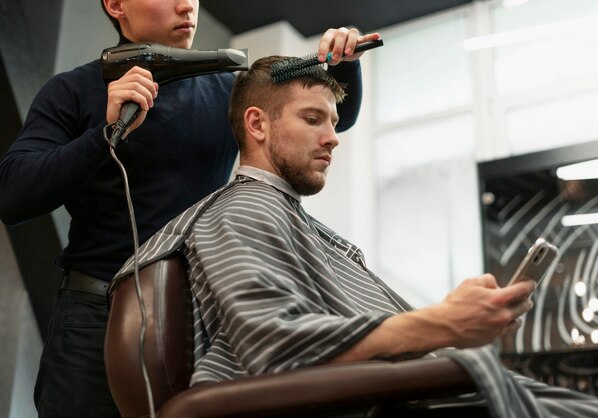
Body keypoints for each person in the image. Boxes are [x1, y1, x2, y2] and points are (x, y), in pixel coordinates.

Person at [114, 56, 598, 417]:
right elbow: (273, 344)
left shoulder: (290, 218)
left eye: (333, 121)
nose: (333, 137)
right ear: (258, 124)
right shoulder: (245, 209)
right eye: (312, 119)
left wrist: (448, 318)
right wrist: (440, 325)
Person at [0, 0, 378, 415]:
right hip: (94, 320)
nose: (187, 5)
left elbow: (329, 119)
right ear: (116, 5)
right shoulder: (72, 91)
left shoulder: (227, 92)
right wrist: (104, 136)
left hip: (191, 319)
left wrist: (343, 65)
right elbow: (13, 193)